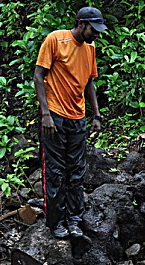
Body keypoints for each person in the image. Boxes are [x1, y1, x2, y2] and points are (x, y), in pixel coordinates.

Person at [33, 6, 108, 239]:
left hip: (78, 117)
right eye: (92, 29)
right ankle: (55, 223)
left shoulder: (90, 48)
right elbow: (38, 75)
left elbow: (89, 83)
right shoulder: (56, 40)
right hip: (54, 116)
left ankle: (74, 220)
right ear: (80, 24)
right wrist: (45, 114)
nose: (96, 34)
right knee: (55, 171)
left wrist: (96, 115)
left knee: (76, 171)